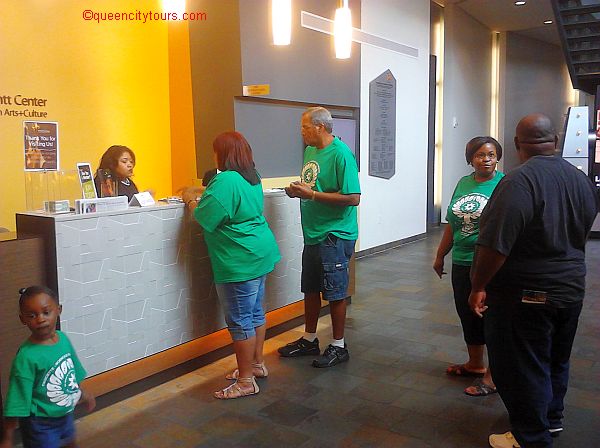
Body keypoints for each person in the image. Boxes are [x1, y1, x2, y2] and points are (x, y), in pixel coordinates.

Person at [469, 114, 599, 448]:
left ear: (516, 144)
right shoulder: (580, 179)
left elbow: (495, 245)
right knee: (556, 358)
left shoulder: (517, 182)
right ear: (555, 140)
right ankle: (551, 420)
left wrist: (478, 286)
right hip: (571, 289)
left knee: (524, 364)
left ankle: (530, 437)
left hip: (527, 294)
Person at [182, 131, 280, 399]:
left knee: (240, 321)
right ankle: (256, 364)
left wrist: (190, 200)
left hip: (239, 260)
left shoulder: (225, 179)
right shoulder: (252, 176)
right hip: (259, 252)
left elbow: (205, 216)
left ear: (222, 154)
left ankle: (246, 381)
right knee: (255, 313)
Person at [277, 106, 360, 368]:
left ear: (320, 127)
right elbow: (314, 186)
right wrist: (299, 191)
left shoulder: (341, 154)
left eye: (305, 127)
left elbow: (353, 198)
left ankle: (338, 345)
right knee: (311, 288)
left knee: (335, 292)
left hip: (334, 234)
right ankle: (309, 339)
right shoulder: (311, 151)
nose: (301, 132)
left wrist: (311, 195)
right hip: (313, 233)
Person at [433, 136, 504, 396]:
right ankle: (475, 364)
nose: (486, 160)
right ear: (470, 159)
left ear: (497, 158)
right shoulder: (464, 183)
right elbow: (452, 223)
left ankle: (493, 376)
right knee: (467, 313)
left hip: (489, 262)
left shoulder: (504, 184)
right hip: (462, 260)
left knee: (491, 317)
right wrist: (441, 255)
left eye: (491, 155)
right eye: (480, 155)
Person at [1, 286, 95, 448]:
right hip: (40, 424)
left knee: (70, 442)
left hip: (65, 414)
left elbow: (72, 371)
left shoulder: (63, 339)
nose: (40, 319)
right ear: (23, 319)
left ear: (58, 310)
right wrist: (7, 438)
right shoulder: (26, 357)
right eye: (32, 315)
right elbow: (17, 399)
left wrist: (82, 392)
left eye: (46, 312)